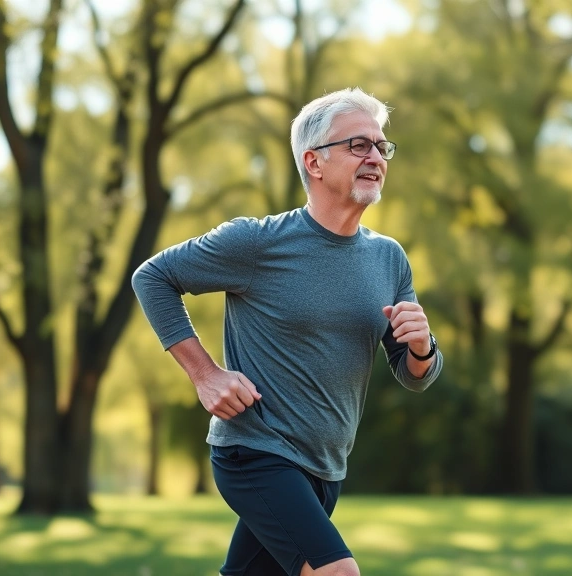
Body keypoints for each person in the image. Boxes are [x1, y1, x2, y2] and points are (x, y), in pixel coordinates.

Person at [131, 87, 443, 576]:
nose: (376, 157)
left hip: (325, 466)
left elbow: (414, 374)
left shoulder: (388, 258)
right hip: (255, 451)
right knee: (337, 572)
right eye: (358, 145)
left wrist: (423, 348)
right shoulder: (257, 243)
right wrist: (206, 375)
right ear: (313, 163)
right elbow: (152, 277)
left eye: (381, 147)